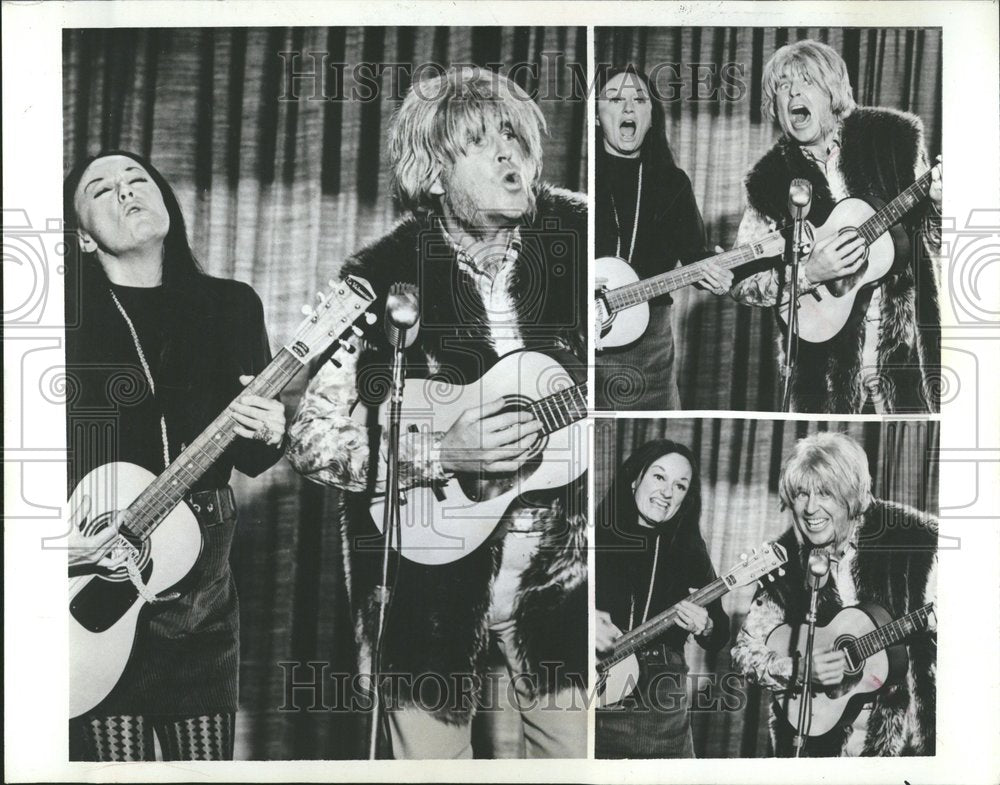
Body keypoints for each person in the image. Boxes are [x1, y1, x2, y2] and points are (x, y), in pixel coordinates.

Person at [287, 67, 587, 759]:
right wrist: (440, 454)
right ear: (432, 175)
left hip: (566, 581)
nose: (511, 153)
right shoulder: (379, 277)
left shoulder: (580, 235)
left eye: (516, 135)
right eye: (484, 142)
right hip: (424, 583)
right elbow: (312, 437)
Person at [64, 150, 286, 761]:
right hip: (96, 568)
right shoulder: (59, 322)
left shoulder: (232, 305)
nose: (127, 190)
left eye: (138, 179)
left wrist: (271, 431)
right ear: (82, 238)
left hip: (202, 572)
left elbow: (252, 459)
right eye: (101, 189)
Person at [729, 39, 943, 414]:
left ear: (834, 92)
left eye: (806, 80)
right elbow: (743, 284)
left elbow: (938, 240)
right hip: (823, 371)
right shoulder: (767, 180)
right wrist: (807, 274)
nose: (793, 91)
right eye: (782, 86)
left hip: (908, 353)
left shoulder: (893, 139)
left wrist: (940, 204)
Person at [731, 431, 937, 756]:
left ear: (852, 494)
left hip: (904, 742)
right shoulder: (786, 560)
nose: (811, 508)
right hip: (817, 741)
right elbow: (745, 651)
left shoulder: (919, 542)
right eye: (801, 494)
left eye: (825, 493)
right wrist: (798, 670)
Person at [594, 65, 732, 411]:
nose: (628, 108)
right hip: (578, 347)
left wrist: (713, 273)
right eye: (614, 98)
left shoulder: (672, 183)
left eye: (639, 99)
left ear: (652, 117)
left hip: (648, 352)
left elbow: (694, 257)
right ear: (596, 117)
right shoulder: (582, 179)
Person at [595, 439, 729, 758]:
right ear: (633, 480)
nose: (667, 492)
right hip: (587, 689)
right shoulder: (593, 537)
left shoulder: (690, 552)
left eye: (680, 486)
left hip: (659, 701)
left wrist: (706, 625)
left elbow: (720, 632)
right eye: (658, 477)